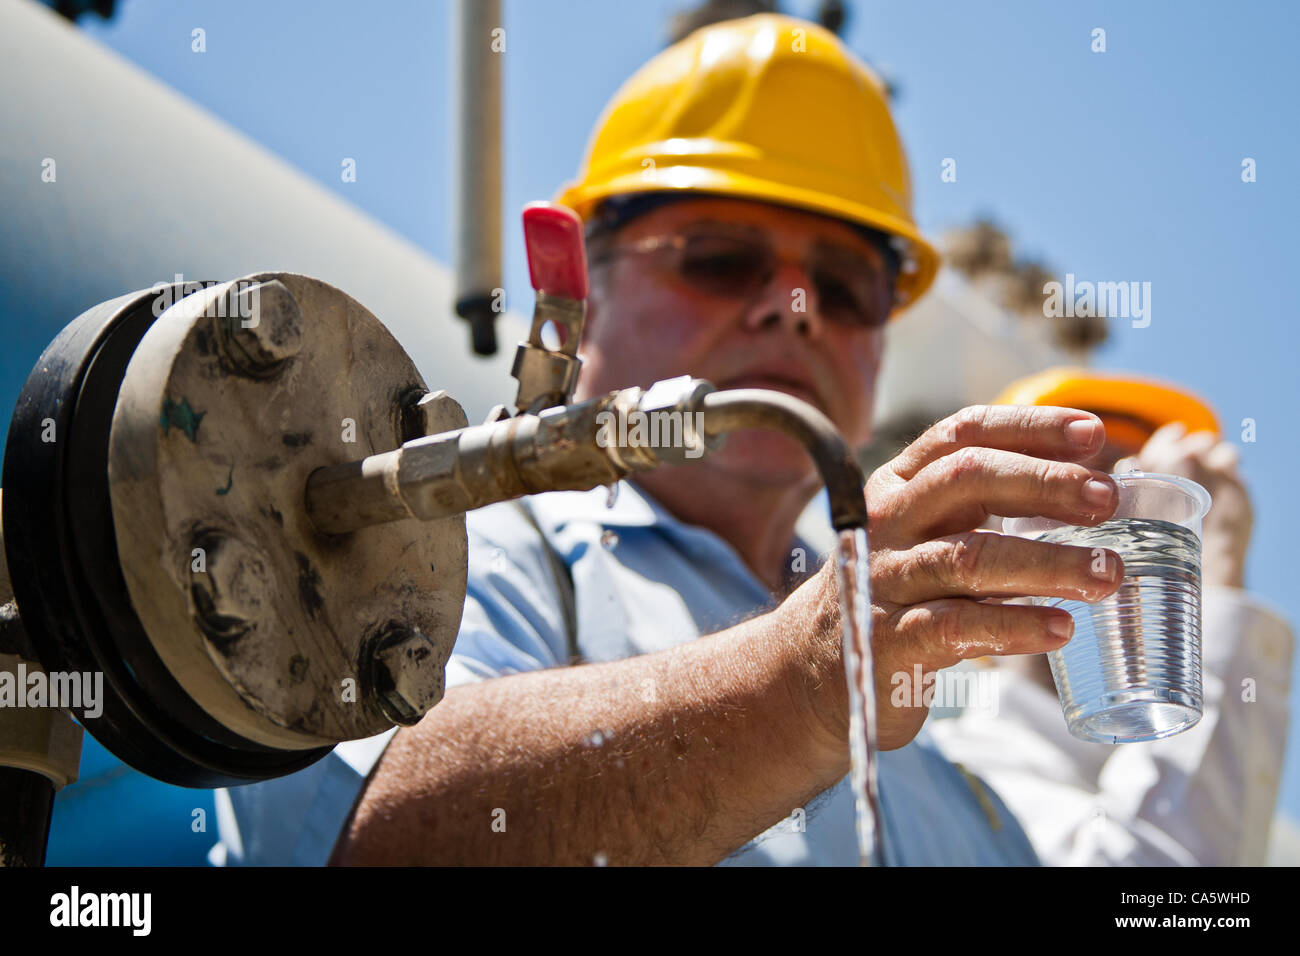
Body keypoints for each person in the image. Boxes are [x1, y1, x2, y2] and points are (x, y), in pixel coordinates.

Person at [214, 13, 1132, 867]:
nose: (794, 309)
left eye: (845, 286)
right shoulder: (459, 546)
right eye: (722, 258)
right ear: (583, 289)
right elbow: (363, 838)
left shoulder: (941, 732)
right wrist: (797, 686)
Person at [928, 368, 1294, 865]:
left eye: (1139, 488)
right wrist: (1224, 566)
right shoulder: (948, 767)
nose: (1116, 512)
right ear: (981, 550)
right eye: (1070, 484)